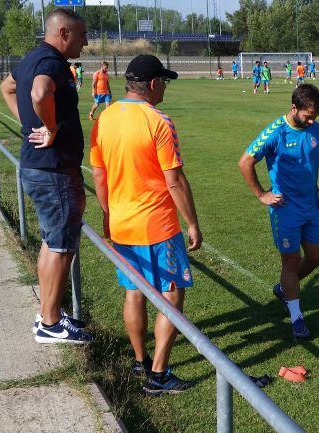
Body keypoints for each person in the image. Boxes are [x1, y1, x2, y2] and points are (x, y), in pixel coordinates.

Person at [90, 54, 202, 395]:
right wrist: (193, 224)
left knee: (133, 291)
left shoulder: (105, 118)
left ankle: (140, 361)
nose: (165, 87)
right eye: (164, 81)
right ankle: (159, 374)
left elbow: (98, 173)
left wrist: (108, 214)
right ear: (153, 84)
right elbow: (175, 181)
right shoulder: (158, 121)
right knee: (171, 292)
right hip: (158, 224)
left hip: (121, 223)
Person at [0, 8, 92, 344]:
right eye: (82, 35)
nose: (86, 42)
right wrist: (48, 127)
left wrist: (30, 126)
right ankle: (51, 324)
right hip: (54, 170)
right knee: (61, 246)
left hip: (40, 167)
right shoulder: (51, 62)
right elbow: (40, 93)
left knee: (52, 243)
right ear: (63, 33)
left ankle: (48, 315)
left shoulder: (31, 57)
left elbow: (7, 87)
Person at [238, 84, 319, 341]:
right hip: (285, 210)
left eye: (315, 115)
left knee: (316, 257)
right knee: (290, 262)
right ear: (294, 108)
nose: (312, 120)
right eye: (308, 115)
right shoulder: (276, 132)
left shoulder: (316, 129)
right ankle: (297, 318)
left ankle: (284, 287)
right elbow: (245, 161)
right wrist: (262, 194)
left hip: (311, 206)